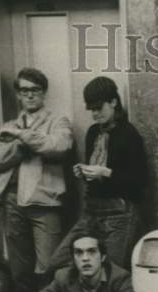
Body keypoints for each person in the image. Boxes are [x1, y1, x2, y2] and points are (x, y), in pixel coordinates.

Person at [0, 67, 73, 292]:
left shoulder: (58, 120)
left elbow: (59, 146)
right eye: (24, 90)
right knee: (19, 270)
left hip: (45, 202)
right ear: (18, 94)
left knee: (49, 267)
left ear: (43, 92)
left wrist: (21, 136)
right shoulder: (10, 124)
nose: (30, 95)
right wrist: (24, 144)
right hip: (12, 201)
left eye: (35, 90)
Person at [47, 76, 148, 273]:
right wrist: (84, 172)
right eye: (91, 109)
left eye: (99, 108)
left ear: (113, 102)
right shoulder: (93, 132)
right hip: (91, 212)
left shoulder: (129, 134)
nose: (95, 114)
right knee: (56, 265)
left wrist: (107, 173)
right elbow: (95, 178)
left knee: (111, 274)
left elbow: (140, 180)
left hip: (120, 214)